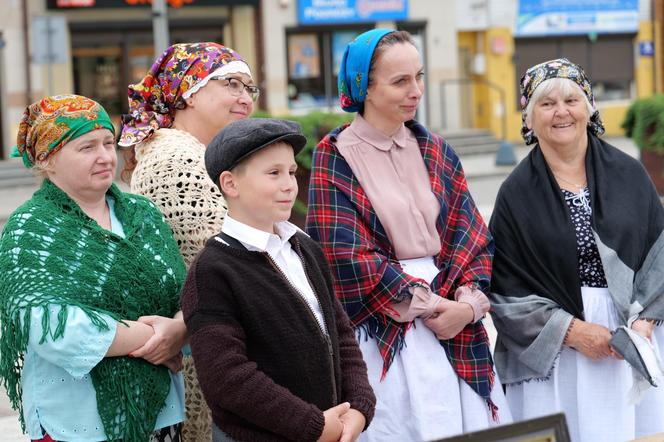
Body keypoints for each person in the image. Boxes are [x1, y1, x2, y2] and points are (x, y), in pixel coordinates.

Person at [305, 29, 511, 442]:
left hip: (454, 320)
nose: (415, 90)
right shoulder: (336, 154)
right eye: (400, 81)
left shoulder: (433, 148)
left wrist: (467, 308)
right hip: (385, 332)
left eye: (418, 76)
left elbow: (471, 237)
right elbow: (344, 253)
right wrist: (432, 305)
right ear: (363, 85)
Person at [489, 58, 664, 442]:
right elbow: (504, 288)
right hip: (557, 346)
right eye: (547, 103)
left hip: (635, 332)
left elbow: (660, 251)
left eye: (571, 99)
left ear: (589, 107)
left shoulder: (629, 173)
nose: (561, 112)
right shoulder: (515, 195)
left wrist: (646, 319)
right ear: (529, 118)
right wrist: (574, 332)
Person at [0, 94, 186, 441]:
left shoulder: (143, 214)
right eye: (86, 147)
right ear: (48, 158)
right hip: (75, 419)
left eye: (107, 143)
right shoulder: (32, 228)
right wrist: (159, 339)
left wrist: (180, 328)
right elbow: (50, 327)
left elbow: (183, 291)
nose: (105, 157)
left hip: (161, 413)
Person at [180, 118, 376, 442]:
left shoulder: (305, 248)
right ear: (230, 184)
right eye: (274, 173)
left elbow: (341, 334)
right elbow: (227, 377)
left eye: (291, 171)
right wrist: (313, 426)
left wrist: (358, 406)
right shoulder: (213, 270)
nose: (289, 184)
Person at [118, 41, 258, 441]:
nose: (244, 98)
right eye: (232, 84)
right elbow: (237, 254)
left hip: (212, 342)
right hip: (206, 354)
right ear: (188, 91)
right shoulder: (175, 159)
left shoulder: (206, 153)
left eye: (250, 89)